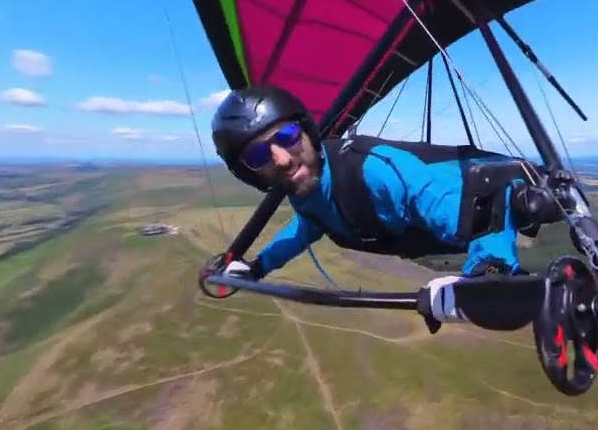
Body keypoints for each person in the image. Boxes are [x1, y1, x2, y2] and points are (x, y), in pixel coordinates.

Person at [208, 84, 563, 284]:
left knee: (529, 203)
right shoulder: (308, 191)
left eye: (287, 136)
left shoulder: (373, 173)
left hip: (491, 186)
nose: (282, 159)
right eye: (259, 156)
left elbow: (462, 203)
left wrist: (490, 272)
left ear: (306, 131)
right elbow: (305, 227)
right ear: (249, 173)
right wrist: (256, 267)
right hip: (449, 214)